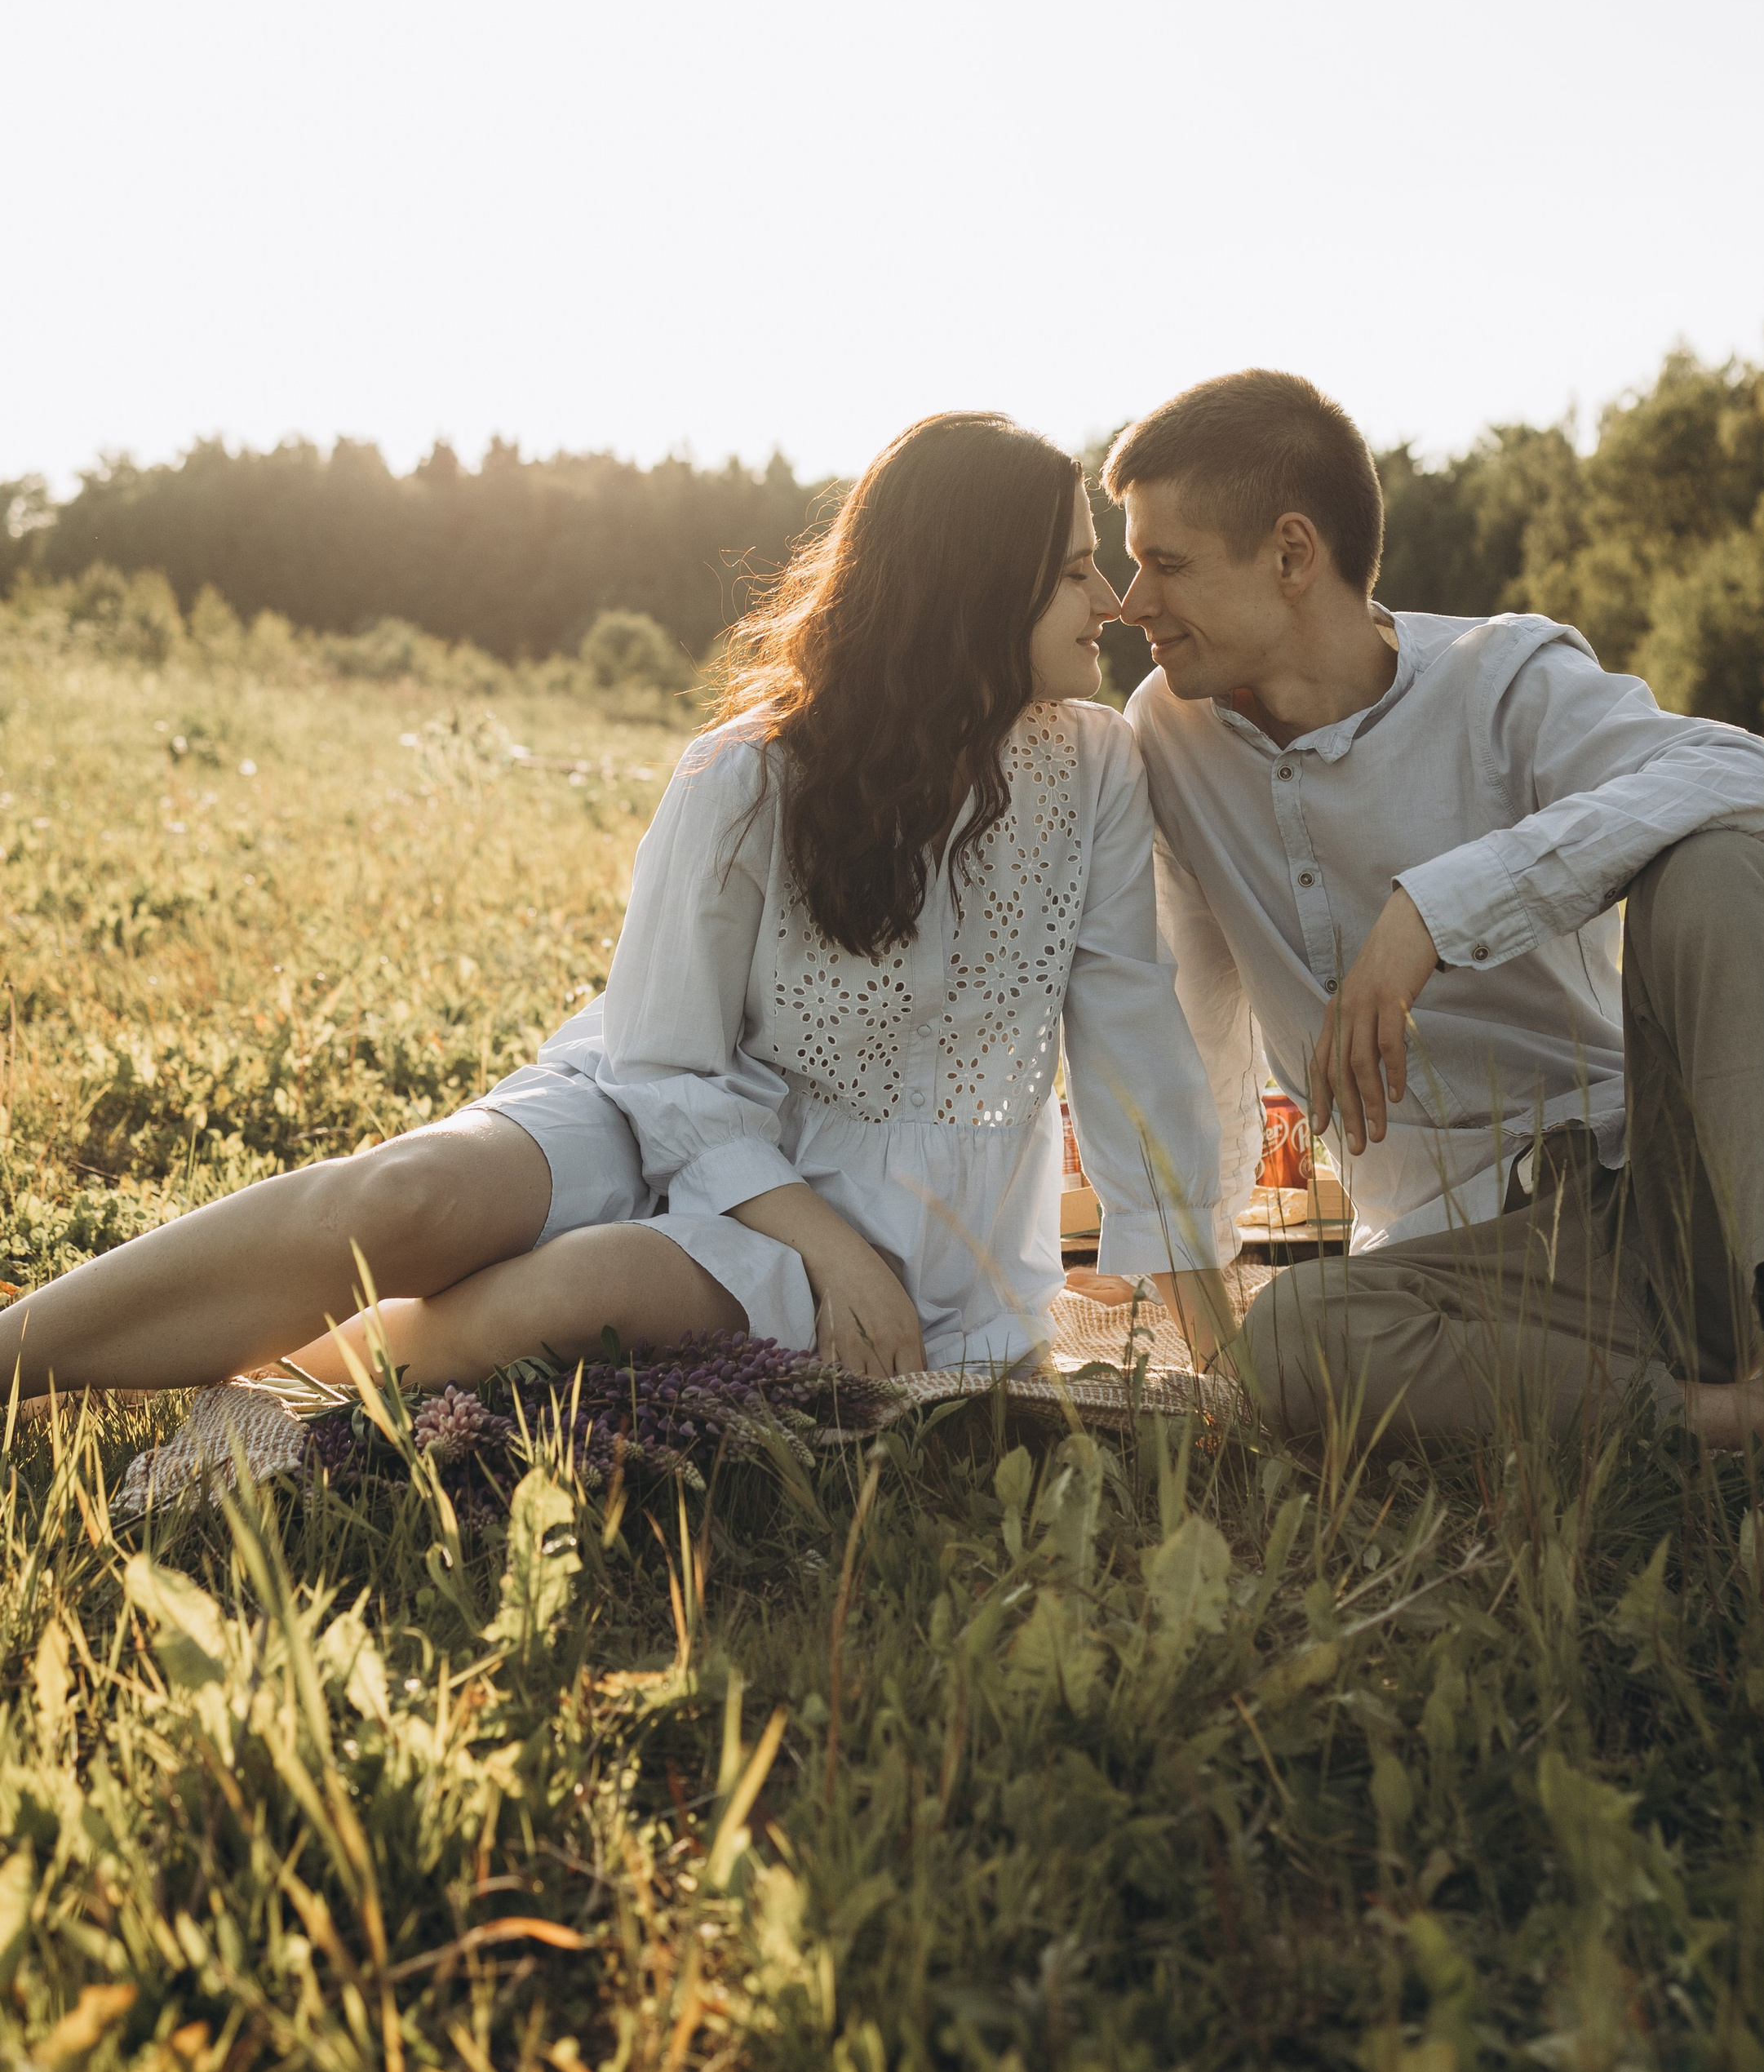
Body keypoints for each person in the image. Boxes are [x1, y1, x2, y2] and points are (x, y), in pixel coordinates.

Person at [1106, 368, 1764, 1656]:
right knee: (1286, 1354)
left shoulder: (1501, 677)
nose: (1132, 600)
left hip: (1660, 1207)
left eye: (1163, 562)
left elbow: (1743, 772)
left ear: (1290, 554)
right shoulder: (1165, 737)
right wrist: (1198, 1306)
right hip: (1456, 1281)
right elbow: (1188, 1028)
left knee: (1716, 867)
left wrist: (1434, 912)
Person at [1, 413, 1225, 1405]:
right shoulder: (751, 774)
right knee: (405, 1198)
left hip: (874, 1215)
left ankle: (277, 1384)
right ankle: (15, 1356)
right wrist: (829, 1246)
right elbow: (662, 1063)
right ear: (974, 589)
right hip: (654, 1104)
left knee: (577, 1296)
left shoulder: (1097, 769)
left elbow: (1135, 1046)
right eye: (1076, 570)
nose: (1114, 600)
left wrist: (1210, 1339)